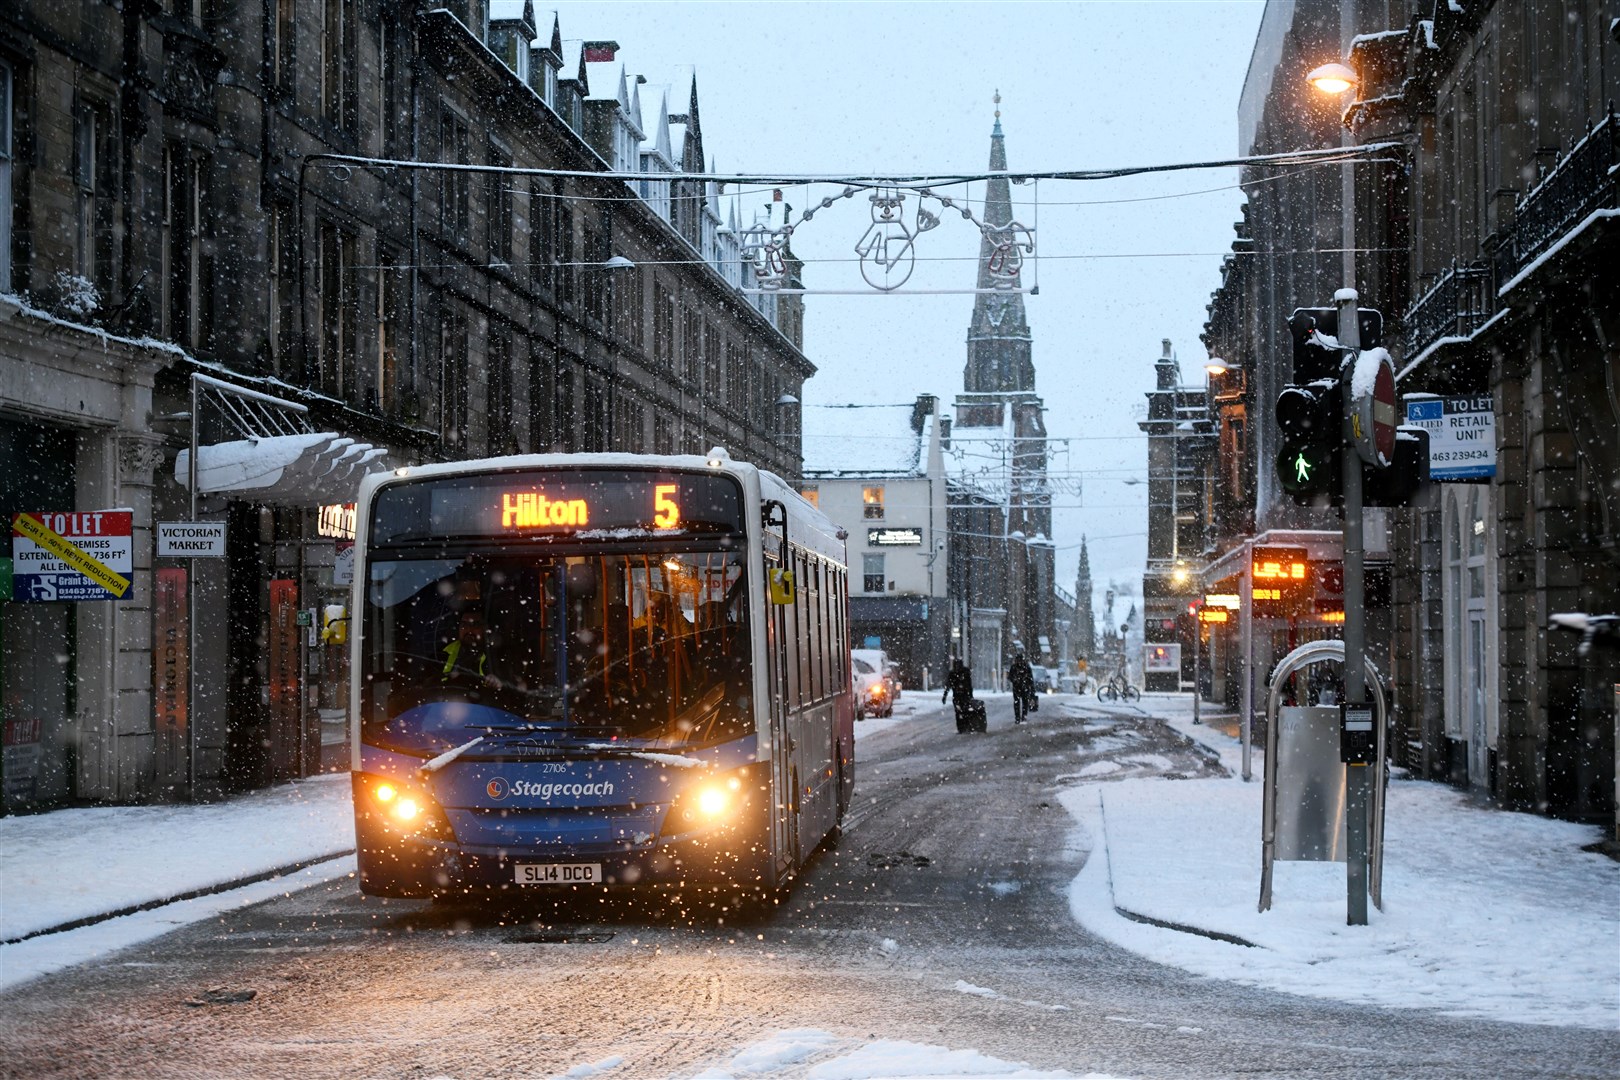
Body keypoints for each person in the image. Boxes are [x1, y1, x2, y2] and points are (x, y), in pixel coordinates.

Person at [942, 658, 974, 733]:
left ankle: (963, 727)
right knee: (962, 712)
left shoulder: (958, 673)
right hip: (960, 696)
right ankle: (964, 727)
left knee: (961, 712)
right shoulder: (959, 673)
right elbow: (969, 685)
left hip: (961, 695)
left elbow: (948, 685)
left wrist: (945, 696)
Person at [1008, 651, 1035, 725]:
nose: (1019, 661)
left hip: (1023, 687)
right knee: (1019, 703)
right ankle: (1019, 717)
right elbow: (1010, 677)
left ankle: (1022, 717)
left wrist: (1030, 686)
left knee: (1023, 703)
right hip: (1018, 687)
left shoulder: (1026, 667)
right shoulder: (1015, 667)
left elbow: (1030, 678)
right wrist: (1015, 680)